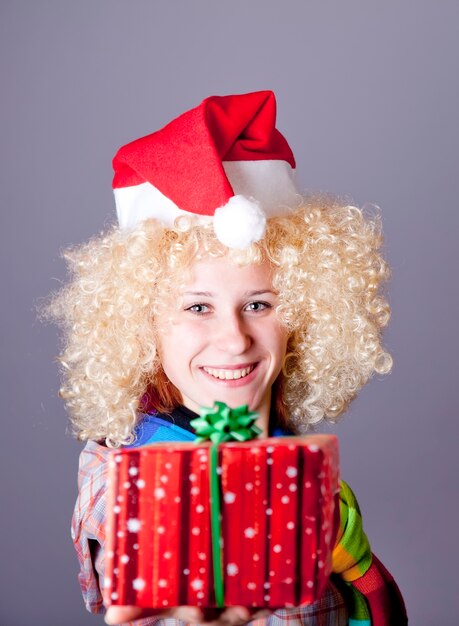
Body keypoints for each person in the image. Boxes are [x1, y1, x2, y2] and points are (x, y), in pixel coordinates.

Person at [46, 91, 407, 625]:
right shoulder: (133, 485)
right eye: (197, 307)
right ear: (139, 324)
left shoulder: (284, 454)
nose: (235, 339)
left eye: (258, 304)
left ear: (305, 310)